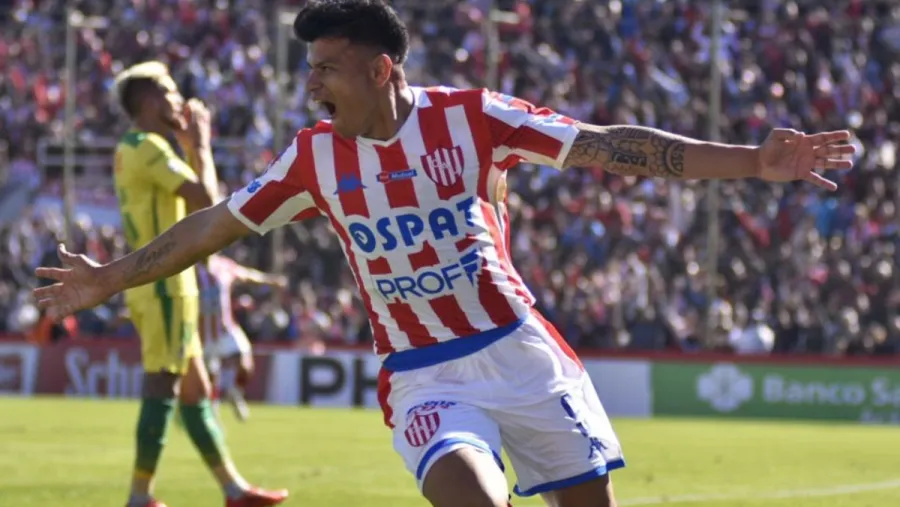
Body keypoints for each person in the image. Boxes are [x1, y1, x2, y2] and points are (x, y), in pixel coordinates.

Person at [36, 2, 855, 506]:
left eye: (327, 68)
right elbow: (211, 226)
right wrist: (110, 276)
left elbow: (609, 146)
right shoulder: (312, 157)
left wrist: (753, 162)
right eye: (309, 69)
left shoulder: (474, 117)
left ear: (380, 68)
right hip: (424, 372)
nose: (312, 85)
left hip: (524, 354)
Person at [106, 61, 288, 507]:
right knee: (162, 384)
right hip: (163, 283)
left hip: (163, 281)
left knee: (195, 391)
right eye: (170, 92)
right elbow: (208, 205)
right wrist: (199, 145)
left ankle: (233, 490)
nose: (178, 101)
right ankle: (139, 496)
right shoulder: (149, 147)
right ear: (150, 101)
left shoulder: (131, 147)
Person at [198, 253, 288, 421]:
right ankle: (211, 411)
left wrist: (271, 281)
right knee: (208, 378)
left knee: (245, 363)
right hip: (200, 334)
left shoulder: (224, 266)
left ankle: (235, 392)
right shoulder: (188, 269)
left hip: (226, 328)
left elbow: (247, 275)